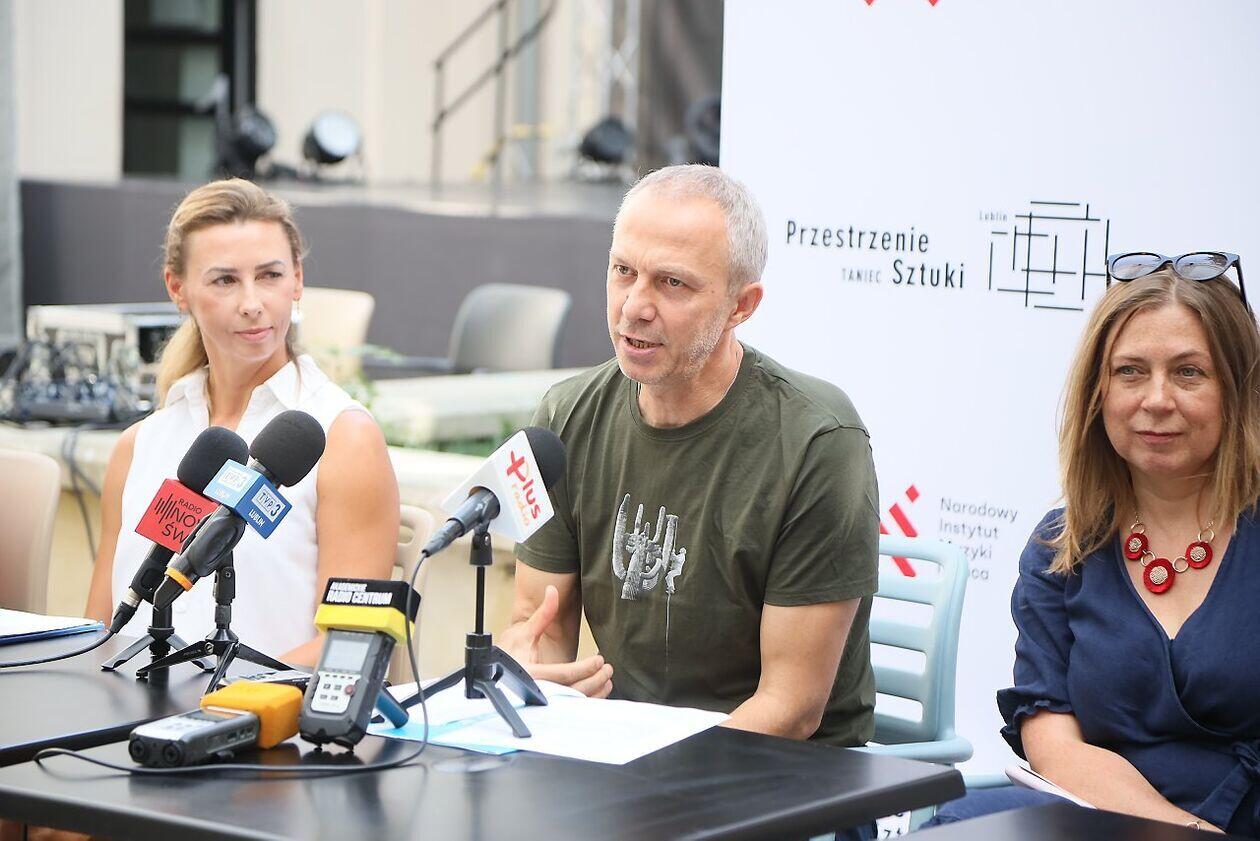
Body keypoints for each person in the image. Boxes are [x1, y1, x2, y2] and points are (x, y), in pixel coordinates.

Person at [500, 164, 880, 748]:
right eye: (623, 271)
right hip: (628, 758)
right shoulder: (564, 416)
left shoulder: (817, 440)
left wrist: (649, 773)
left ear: (741, 305)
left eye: (672, 283)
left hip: (785, 771)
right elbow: (539, 623)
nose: (634, 307)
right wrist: (530, 668)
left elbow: (791, 709)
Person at [929, 254, 1260, 834]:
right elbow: (1052, 742)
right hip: (1101, 813)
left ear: (1237, 390)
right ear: (1097, 392)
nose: (1156, 399)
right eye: (1130, 371)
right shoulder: (1062, 547)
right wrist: (1179, 832)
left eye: (1189, 372)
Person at [84, 178, 399, 667]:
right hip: (130, 705)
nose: (252, 303)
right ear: (177, 289)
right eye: (224, 280)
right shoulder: (139, 444)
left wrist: (217, 699)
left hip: (259, 710)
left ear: (297, 280)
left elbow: (349, 645)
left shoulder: (344, 437)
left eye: (270, 275)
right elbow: (98, 629)